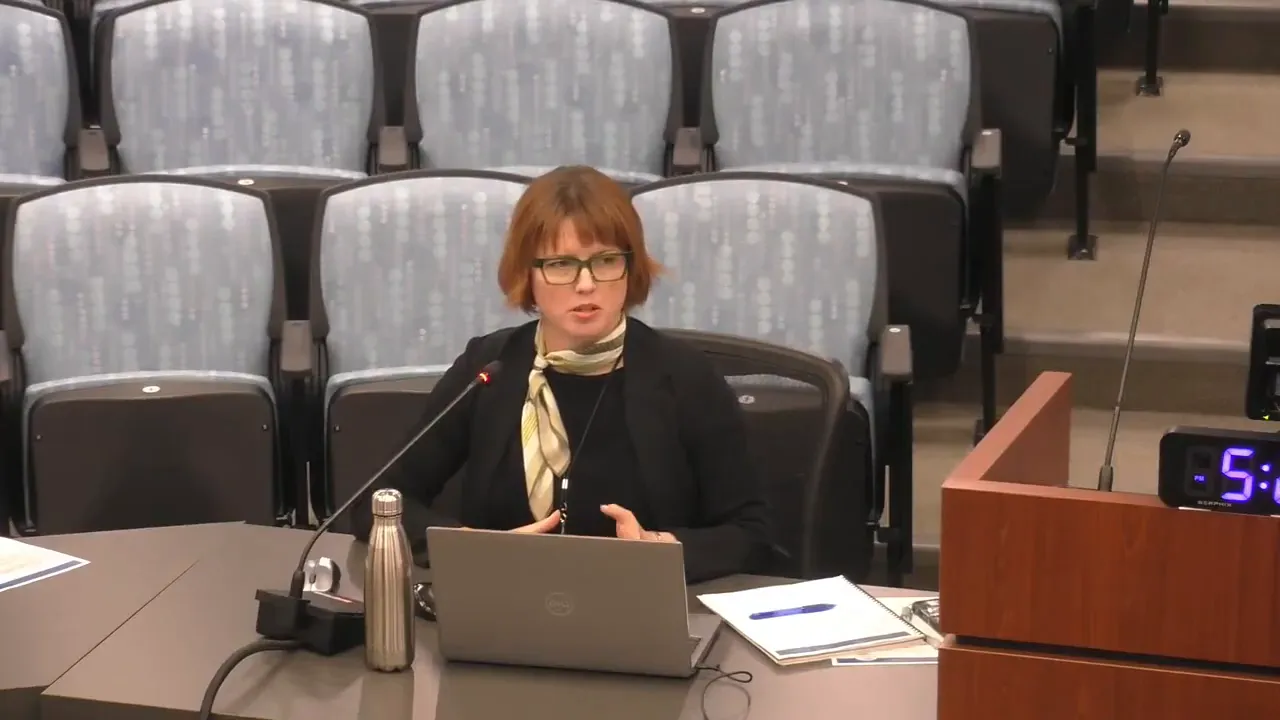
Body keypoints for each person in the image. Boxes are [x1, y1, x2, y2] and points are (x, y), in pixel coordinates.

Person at [352, 166, 770, 583]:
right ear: (527, 274)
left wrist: (661, 549)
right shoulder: (491, 367)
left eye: (605, 260)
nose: (586, 284)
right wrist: (474, 548)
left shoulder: (686, 377)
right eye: (560, 264)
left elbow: (752, 533)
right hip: (502, 603)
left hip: (641, 604)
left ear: (630, 268)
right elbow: (376, 504)